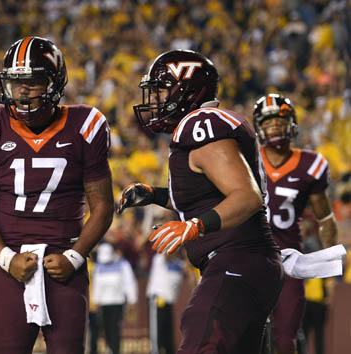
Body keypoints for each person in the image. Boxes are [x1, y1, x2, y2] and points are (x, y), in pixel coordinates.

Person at [118, 49, 283, 353]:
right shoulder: (205, 126)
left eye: (162, 90)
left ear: (186, 90)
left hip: (236, 261)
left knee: (200, 340)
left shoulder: (202, 124)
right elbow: (206, 196)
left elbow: (247, 196)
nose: (155, 100)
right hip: (246, 263)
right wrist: (153, 195)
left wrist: (195, 226)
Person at [0, 36, 114, 353]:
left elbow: (102, 206)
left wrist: (75, 256)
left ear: (54, 83)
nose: (22, 91)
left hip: (64, 262)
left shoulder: (85, 124)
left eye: (33, 82)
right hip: (10, 265)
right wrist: (7, 258)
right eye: (16, 83)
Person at [252, 93, 338, 354]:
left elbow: (325, 218)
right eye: (268, 123)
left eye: (280, 121)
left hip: (289, 262)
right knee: (244, 334)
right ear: (258, 128)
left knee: (284, 339)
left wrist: (329, 270)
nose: (275, 127)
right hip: (249, 257)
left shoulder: (310, 164)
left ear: (292, 124)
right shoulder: (246, 161)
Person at [91, 242, 138, 354]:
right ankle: (110, 349)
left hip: (118, 302)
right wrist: (96, 301)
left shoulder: (123, 264)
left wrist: (132, 299)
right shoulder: (98, 266)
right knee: (106, 330)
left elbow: (129, 282)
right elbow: (96, 284)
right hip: (104, 303)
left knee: (115, 329)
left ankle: (115, 350)